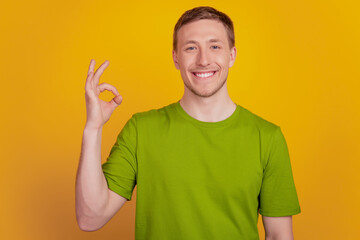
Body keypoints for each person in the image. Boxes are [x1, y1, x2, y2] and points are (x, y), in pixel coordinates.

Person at [75, 6, 301, 240]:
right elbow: (90, 218)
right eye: (191, 48)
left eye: (215, 46)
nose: (203, 60)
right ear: (176, 57)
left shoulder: (268, 137)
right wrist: (93, 128)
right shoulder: (141, 130)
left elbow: (279, 236)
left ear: (231, 55)